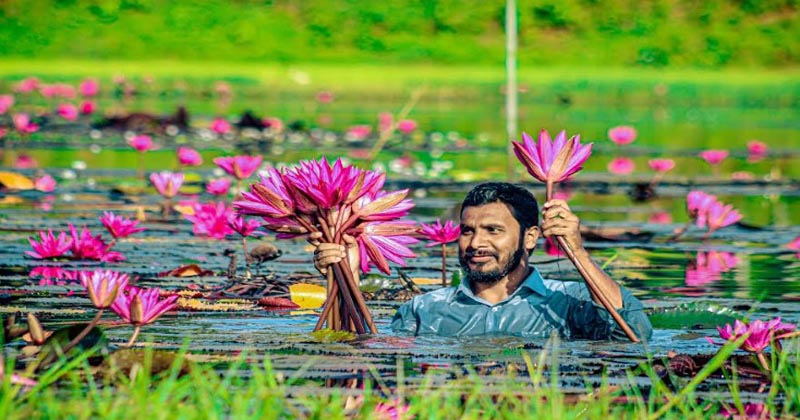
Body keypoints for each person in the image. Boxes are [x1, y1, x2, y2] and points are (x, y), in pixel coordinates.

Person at [313, 182, 652, 341]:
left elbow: (636, 335)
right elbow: (352, 350)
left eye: (493, 230)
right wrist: (345, 280)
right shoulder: (422, 311)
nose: (476, 243)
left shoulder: (569, 302)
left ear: (530, 237)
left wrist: (577, 251)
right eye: (467, 230)